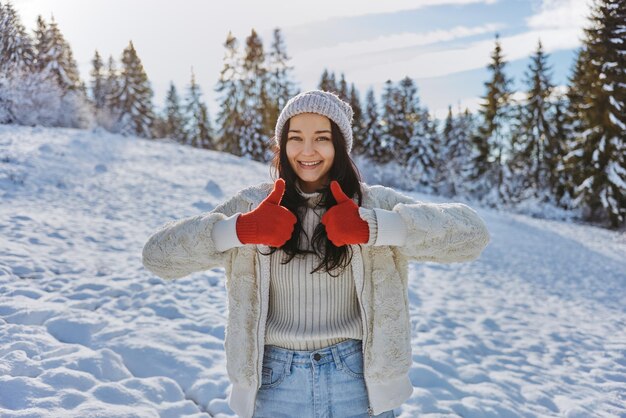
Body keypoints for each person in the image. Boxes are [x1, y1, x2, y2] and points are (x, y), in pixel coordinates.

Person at [142, 90, 491, 418]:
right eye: (296, 138)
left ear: (340, 146)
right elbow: (157, 256)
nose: (307, 151)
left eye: (321, 137)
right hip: (275, 384)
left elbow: (472, 235)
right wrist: (238, 230)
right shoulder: (253, 205)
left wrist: (376, 227)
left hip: (359, 382)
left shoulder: (373, 204)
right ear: (282, 144)